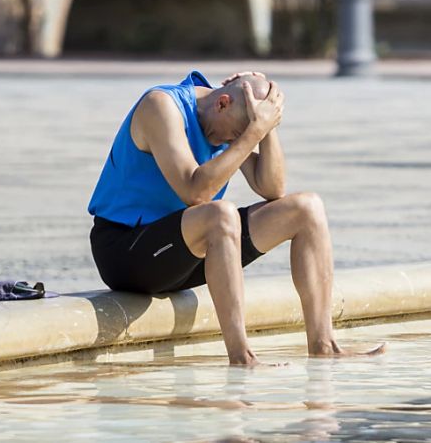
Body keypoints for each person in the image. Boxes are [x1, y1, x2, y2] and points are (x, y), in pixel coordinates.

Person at [87, 70, 385, 366]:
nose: (235, 141)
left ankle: (324, 346)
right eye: (238, 133)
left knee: (307, 208)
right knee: (220, 213)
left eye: (245, 135)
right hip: (126, 253)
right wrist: (253, 132)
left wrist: (268, 124)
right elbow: (196, 192)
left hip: (185, 253)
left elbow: (272, 188)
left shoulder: (229, 120)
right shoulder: (161, 106)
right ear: (222, 102)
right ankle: (241, 356)